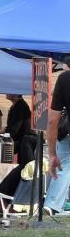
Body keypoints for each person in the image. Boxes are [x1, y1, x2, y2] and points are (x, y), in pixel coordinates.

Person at [47, 68, 70, 213]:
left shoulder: (64, 79)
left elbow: (52, 120)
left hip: (66, 132)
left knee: (63, 168)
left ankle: (51, 205)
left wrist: (51, 154)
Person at [4, 93, 34, 164]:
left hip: (27, 142)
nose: (6, 93)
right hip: (22, 141)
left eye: (9, 91)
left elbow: (15, 128)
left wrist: (4, 133)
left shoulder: (20, 106)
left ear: (16, 94)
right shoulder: (15, 106)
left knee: (25, 166)